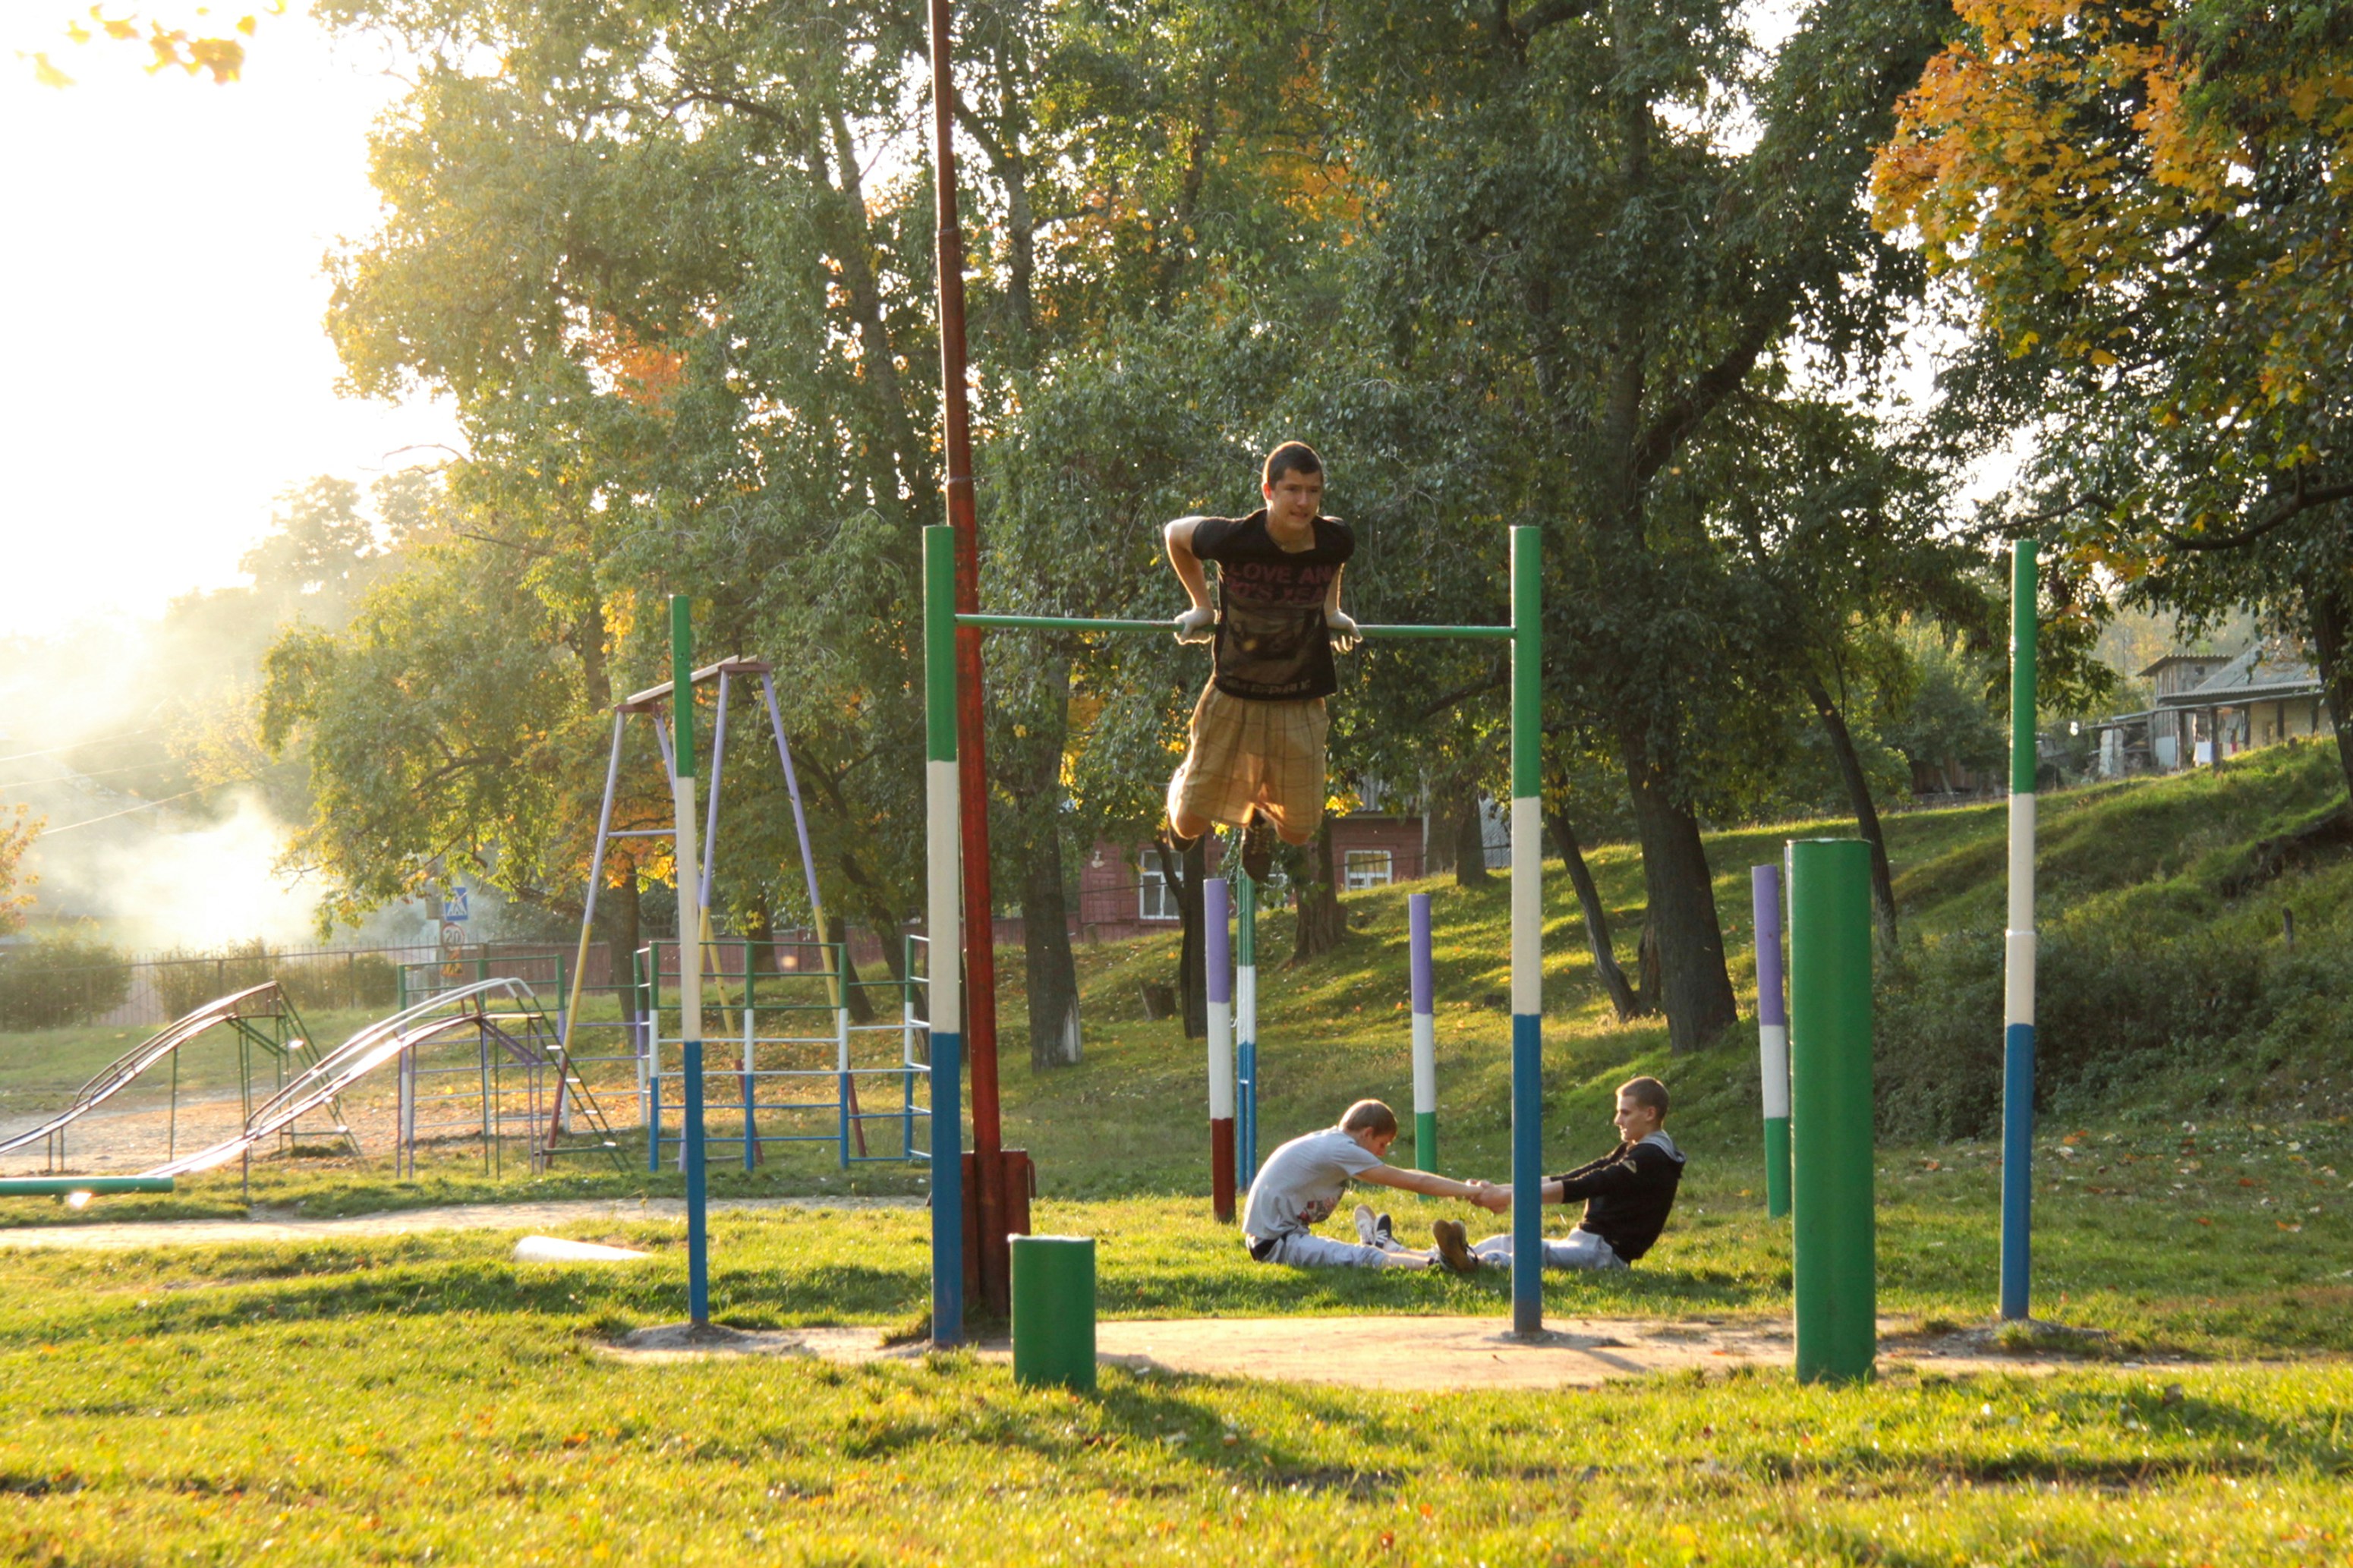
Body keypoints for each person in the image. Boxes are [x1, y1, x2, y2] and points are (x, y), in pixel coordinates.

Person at [1163, 441, 1358, 881]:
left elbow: (1333, 563)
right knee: (1188, 825)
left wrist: (1331, 612)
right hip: (1235, 693)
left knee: (1300, 829)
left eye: (1313, 491)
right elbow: (1175, 534)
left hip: (1300, 697)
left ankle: (1258, 820)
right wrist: (1202, 607)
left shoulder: (1336, 537)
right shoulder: (1234, 537)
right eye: (1293, 490)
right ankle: (1183, 783)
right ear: (1268, 490)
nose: (1304, 502)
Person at [1428, 1076, 1685, 1275]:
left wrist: (1507, 1196)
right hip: (1587, 1244)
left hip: (1605, 1255)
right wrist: (1499, 1190)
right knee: (1503, 1242)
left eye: (1625, 1112)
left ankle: (1462, 1262)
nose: (1617, 1120)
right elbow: (1572, 1176)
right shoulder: (1636, 1148)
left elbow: (1584, 1186)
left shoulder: (1651, 1157)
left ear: (1650, 1113)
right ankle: (1427, 1256)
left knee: (1528, 1254)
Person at [1242, 1099, 1507, 1270]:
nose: (1381, 1154)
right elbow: (1414, 1181)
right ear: (1367, 1133)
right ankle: (1440, 1263)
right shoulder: (1341, 1149)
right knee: (1365, 1259)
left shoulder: (1332, 1142)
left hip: (1282, 1236)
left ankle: (1405, 1249)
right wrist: (1473, 1191)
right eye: (1382, 1145)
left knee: (1359, 1254)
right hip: (1274, 1244)